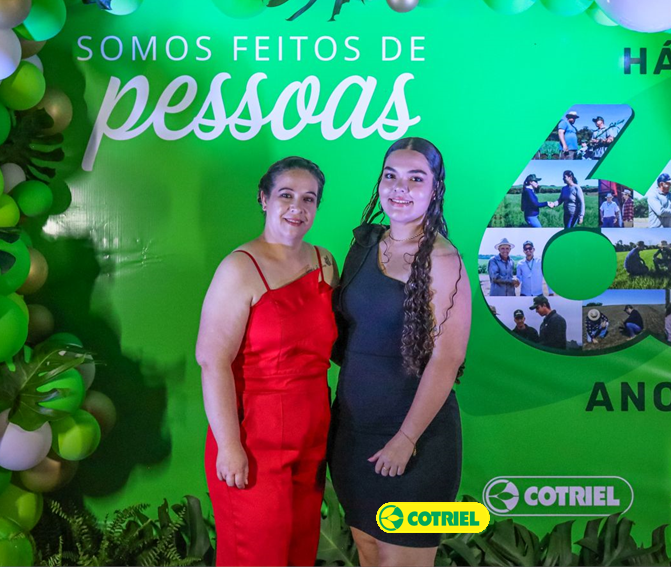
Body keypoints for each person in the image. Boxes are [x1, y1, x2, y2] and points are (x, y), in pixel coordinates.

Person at [329, 138, 470, 567]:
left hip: (415, 441)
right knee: (369, 553)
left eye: (415, 178)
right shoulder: (364, 244)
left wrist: (406, 439)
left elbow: (447, 359)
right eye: (390, 175)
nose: (399, 188)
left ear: (435, 188)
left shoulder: (443, 259)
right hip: (352, 435)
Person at [198, 157, 338, 567]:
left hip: (311, 438)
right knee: (256, 556)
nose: (297, 207)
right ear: (264, 199)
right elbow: (212, 360)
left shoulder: (325, 263)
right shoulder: (239, 267)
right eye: (286, 195)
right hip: (253, 441)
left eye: (309, 199)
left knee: (299, 554)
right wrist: (229, 446)